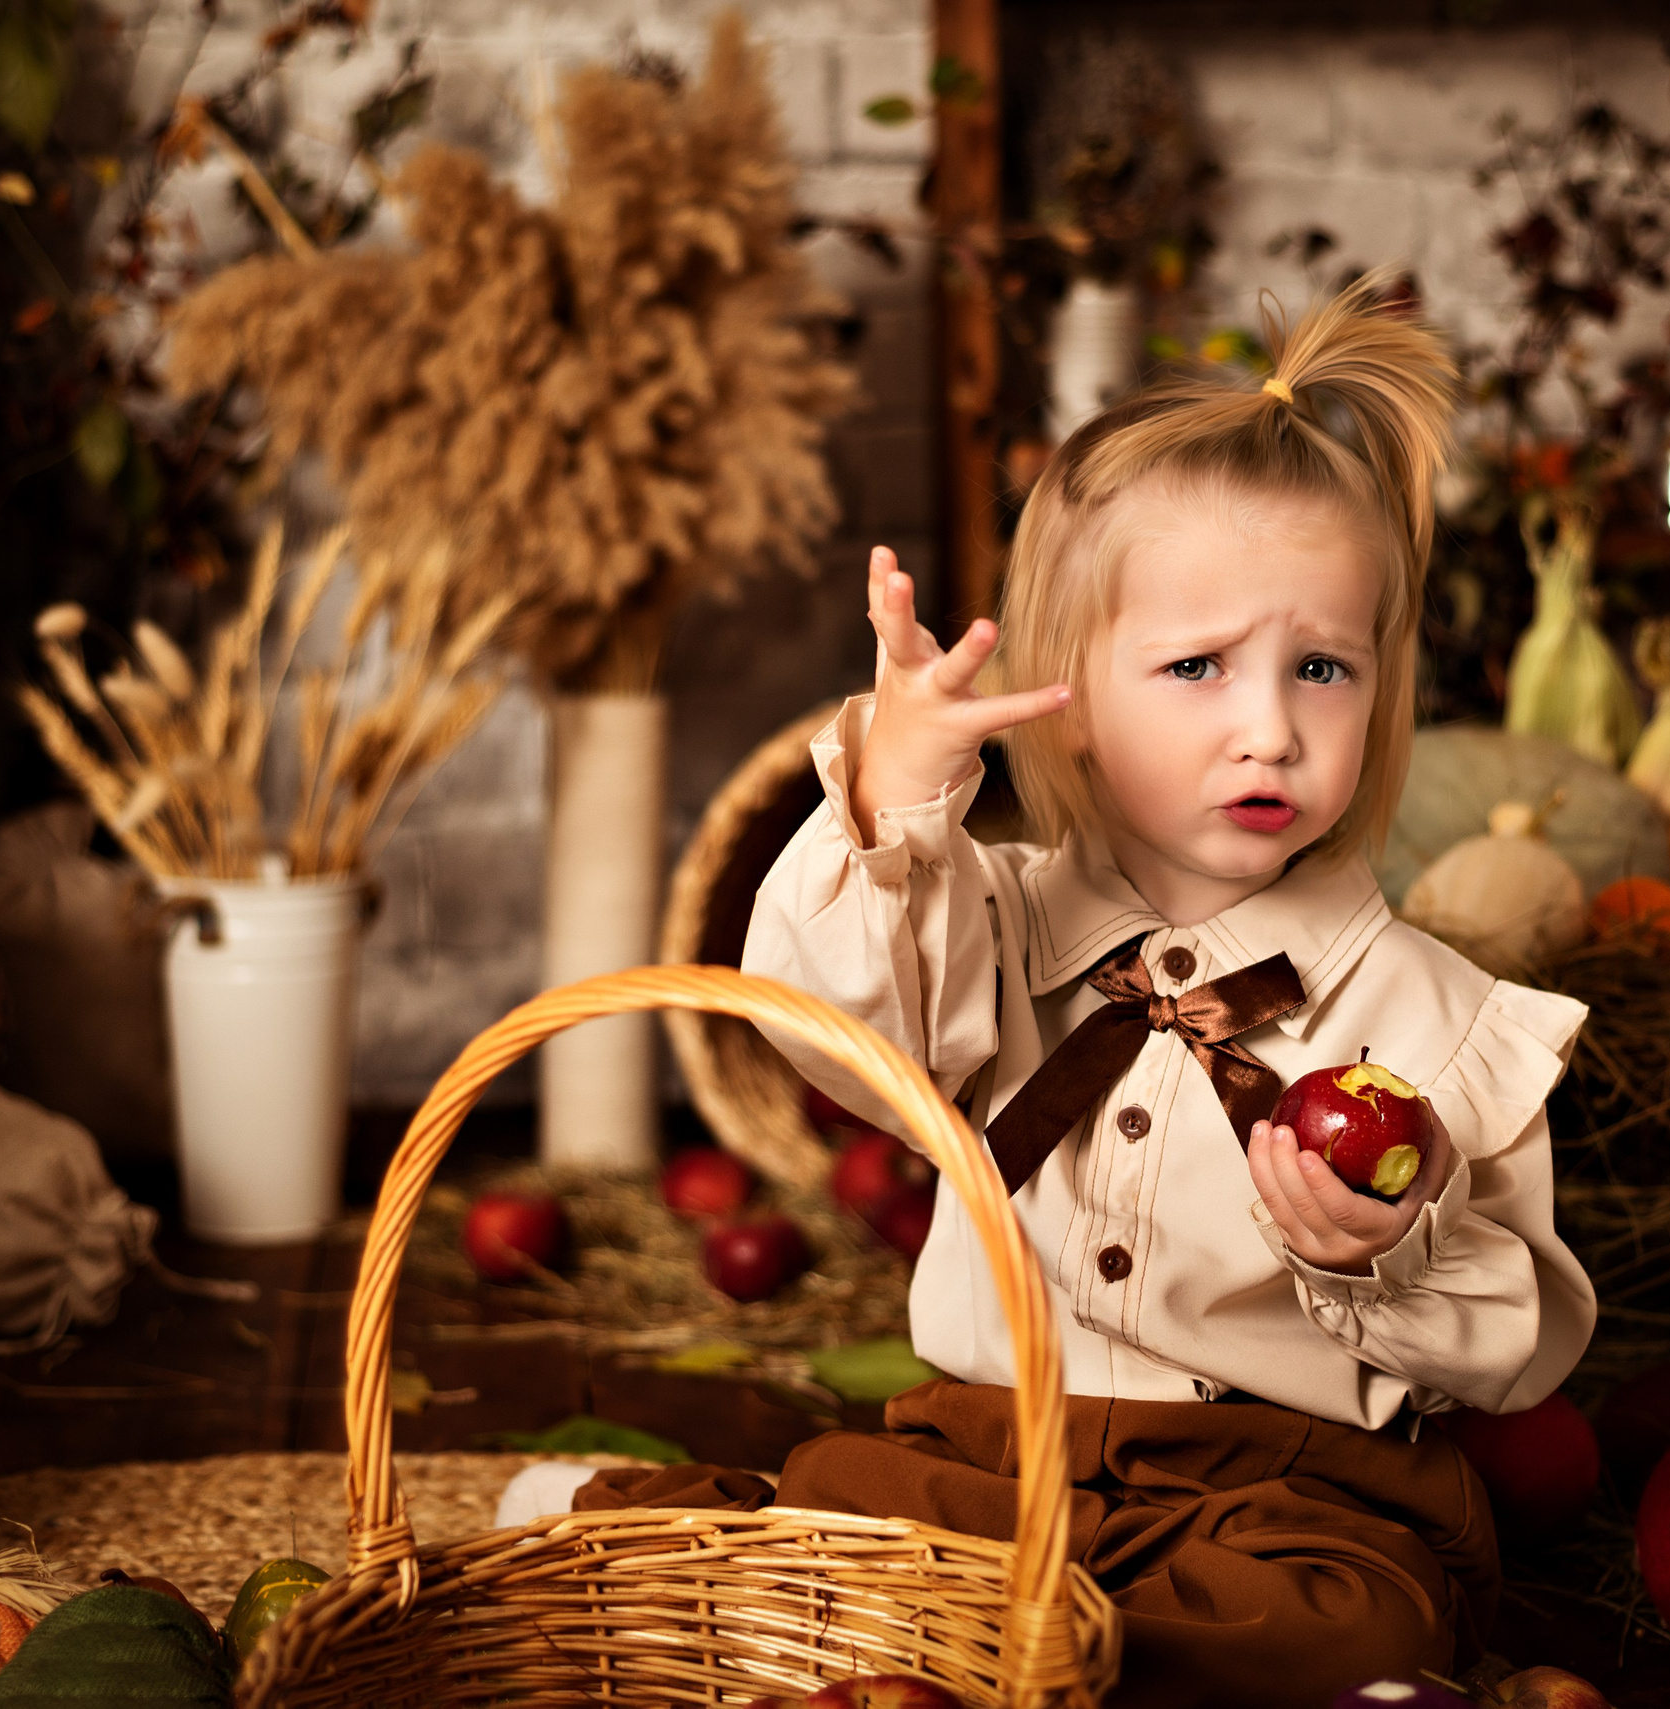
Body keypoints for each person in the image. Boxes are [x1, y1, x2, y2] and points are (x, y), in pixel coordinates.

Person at [577, 275, 1595, 1709]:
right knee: (842, 1507)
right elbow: (828, 1024)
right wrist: (899, 796)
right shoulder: (984, 914)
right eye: (1197, 666)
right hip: (991, 1452)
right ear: (1066, 687)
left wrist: (1385, 1251)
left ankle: (1040, 1664)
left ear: (1383, 688)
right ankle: (809, 1574)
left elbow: (1526, 1343)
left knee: (1350, 1629)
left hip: (1276, 1488)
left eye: (1322, 667)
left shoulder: (1436, 1014)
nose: (1270, 726)